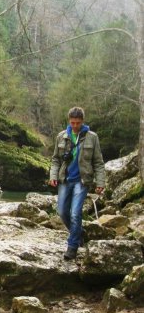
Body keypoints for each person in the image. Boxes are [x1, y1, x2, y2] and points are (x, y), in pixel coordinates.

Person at [49, 107, 105, 260]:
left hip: (82, 181)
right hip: (65, 180)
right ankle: (78, 233)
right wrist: (53, 175)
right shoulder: (61, 137)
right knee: (62, 211)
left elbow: (98, 162)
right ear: (69, 121)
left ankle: (72, 246)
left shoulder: (92, 137)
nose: (75, 126)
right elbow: (55, 159)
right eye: (72, 123)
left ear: (82, 121)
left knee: (75, 213)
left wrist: (100, 182)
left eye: (78, 123)